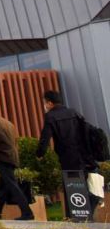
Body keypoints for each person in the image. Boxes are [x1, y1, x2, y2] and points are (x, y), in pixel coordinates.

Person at [37, 90, 98, 220]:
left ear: (50, 103)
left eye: (45, 103)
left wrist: (40, 153)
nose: (45, 106)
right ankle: (87, 215)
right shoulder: (74, 112)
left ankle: (75, 216)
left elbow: (45, 138)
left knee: (71, 185)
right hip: (84, 155)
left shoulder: (50, 116)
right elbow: (86, 130)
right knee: (85, 184)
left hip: (68, 157)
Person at [0, 101, 33, 220]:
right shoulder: (8, 123)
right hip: (12, 157)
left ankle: (27, 213)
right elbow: (15, 141)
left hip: (2, 157)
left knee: (12, 184)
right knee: (4, 186)